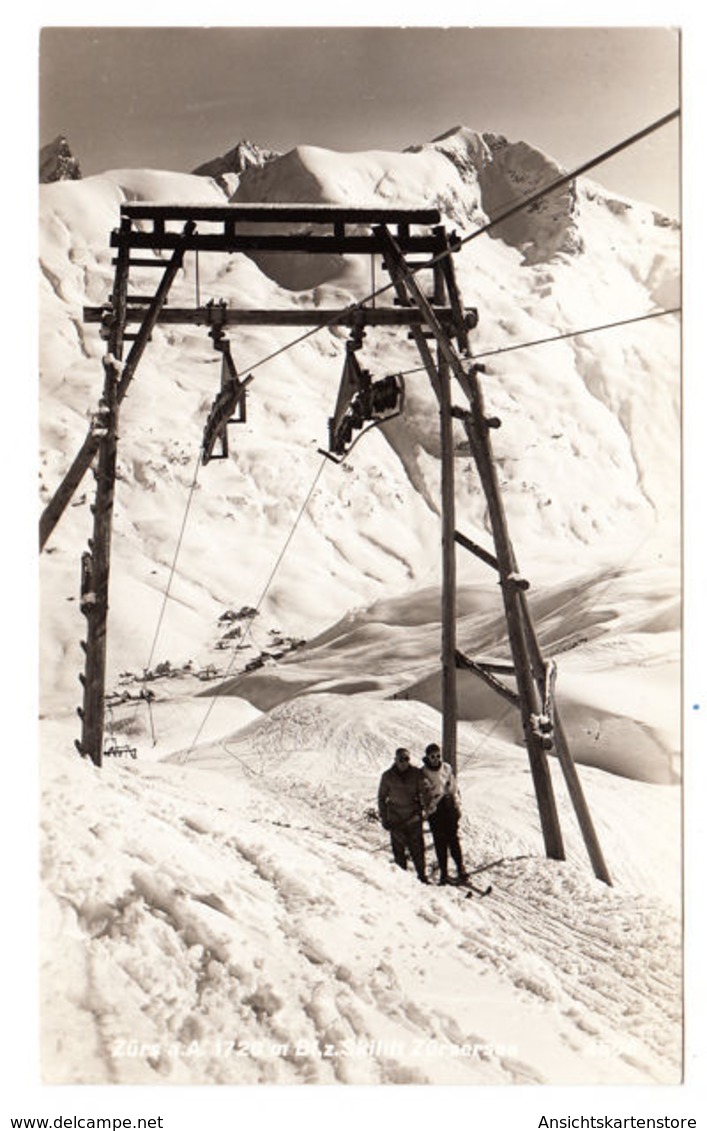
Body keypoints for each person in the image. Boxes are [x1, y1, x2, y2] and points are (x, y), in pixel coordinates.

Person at [377, 747, 429, 883]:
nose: (404, 762)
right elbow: (381, 798)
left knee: (417, 850)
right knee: (399, 852)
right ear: (395, 760)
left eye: (406, 759)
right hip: (396, 820)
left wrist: (425, 808)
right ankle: (403, 881)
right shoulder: (387, 776)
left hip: (413, 818)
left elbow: (424, 793)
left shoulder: (416, 774)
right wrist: (384, 818)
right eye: (401, 759)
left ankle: (422, 877)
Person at [421, 743, 467, 885]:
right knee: (440, 842)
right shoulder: (423, 772)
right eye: (432, 756)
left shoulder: (447, 768)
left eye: (438, 756)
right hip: (435, 810)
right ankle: (444, 873)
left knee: (453, 840)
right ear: (428, 757)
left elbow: (454, 788)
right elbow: (423, 792)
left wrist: (455, 803)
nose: (435, 759)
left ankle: (461, 869)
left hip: (448, 807)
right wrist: (429, 803)